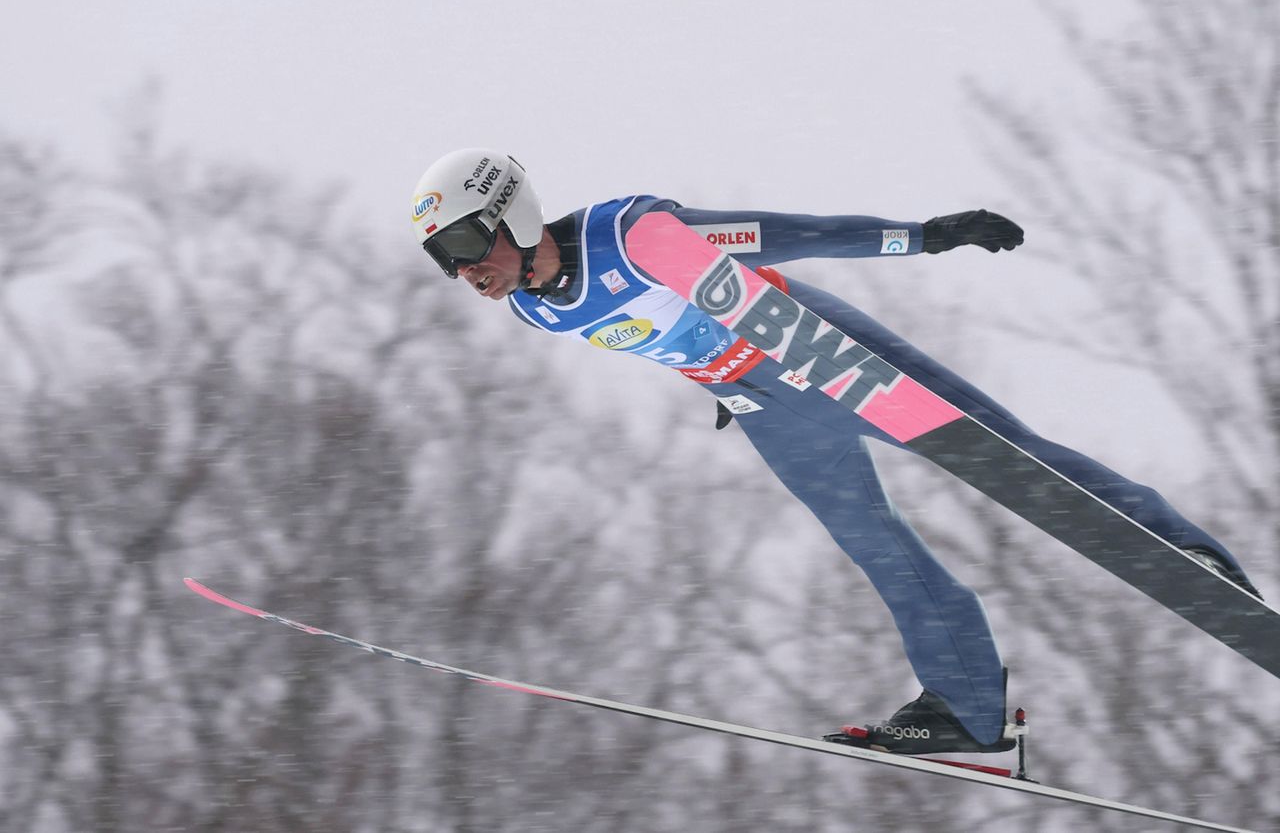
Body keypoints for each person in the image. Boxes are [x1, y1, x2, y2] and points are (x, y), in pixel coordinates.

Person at [410, 148, 1259, 755]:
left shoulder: (631, 235)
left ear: (509, 214)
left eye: (463, 248)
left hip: (811, 345)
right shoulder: (537, 309)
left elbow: (783, 234)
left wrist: (922, 236)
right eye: (442, 262)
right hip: (762, 400)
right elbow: (662, 334)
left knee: (1008, 456)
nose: (463, 274)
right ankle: (967, 707)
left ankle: (1183, 552)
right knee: (875, 545)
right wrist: (714, 385)